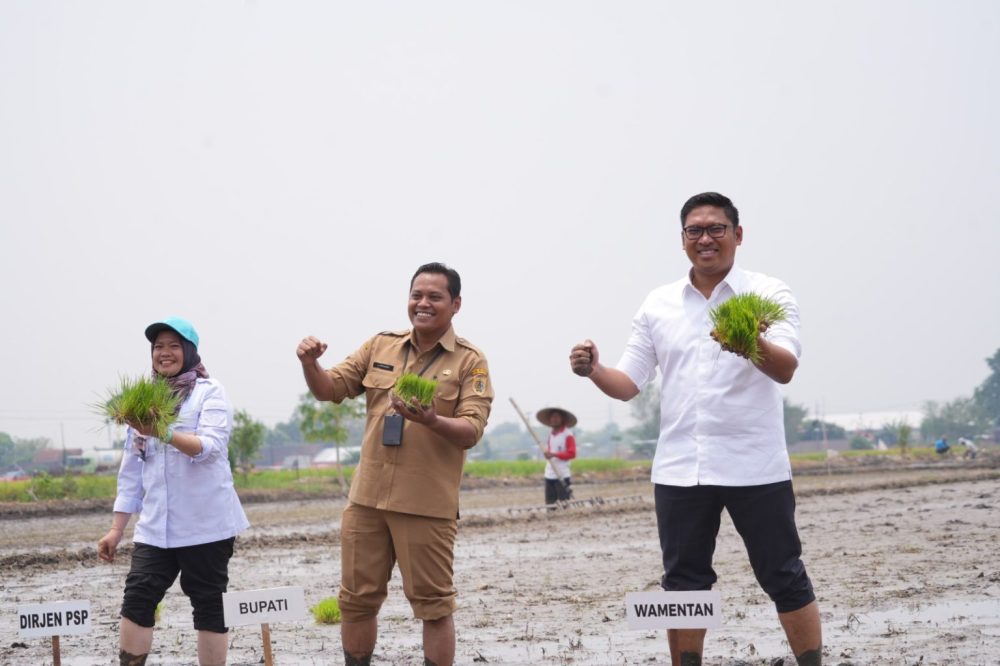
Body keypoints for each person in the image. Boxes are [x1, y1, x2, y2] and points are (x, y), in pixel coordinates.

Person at [569, 192, 822, 666]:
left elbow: (785, 368)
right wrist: (595, 370)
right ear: (682, 240)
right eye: (695, 231)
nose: (705, 238)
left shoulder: (769, 293)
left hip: (757, 467)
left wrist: (745, 340)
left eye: (716, 229)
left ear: (738, 235)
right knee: (683, 582)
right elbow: (628, 385)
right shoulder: (658, 304)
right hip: (680, 469)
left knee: (783, 574)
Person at [296, 262, 493, 666]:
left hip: (426, 505)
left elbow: (472, 429)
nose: (423, 303)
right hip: (366, 501)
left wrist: (430, 419)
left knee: (434, 605)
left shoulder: (471, 361)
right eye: (416, 295)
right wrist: (309, 364)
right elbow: (330, 389)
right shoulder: (380, 345)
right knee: (355, 601)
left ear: (455, 304)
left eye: (434, 297)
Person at [98, 317, 249, 666]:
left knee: (208, 604)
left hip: (205, 525)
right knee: (137, 597)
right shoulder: (142, 401)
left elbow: (208, 447)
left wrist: (161, 431)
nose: (164, 353)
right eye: (158, 347)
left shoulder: (210, 392)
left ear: (190, 352)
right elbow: (131, 472)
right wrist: (116, 529)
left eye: (173, 346)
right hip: (156, 528)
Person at [536, 406, 577, 504]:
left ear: (562, 419)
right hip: (549, 473)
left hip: (562, 474)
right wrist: (548, 454)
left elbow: (572, 453)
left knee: (564, 503)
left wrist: (554, 454)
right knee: (550, 503)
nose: (554, 419)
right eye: (552, 417)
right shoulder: (551, 435)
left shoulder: (568, 435)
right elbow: (550, 452)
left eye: (557, 417)